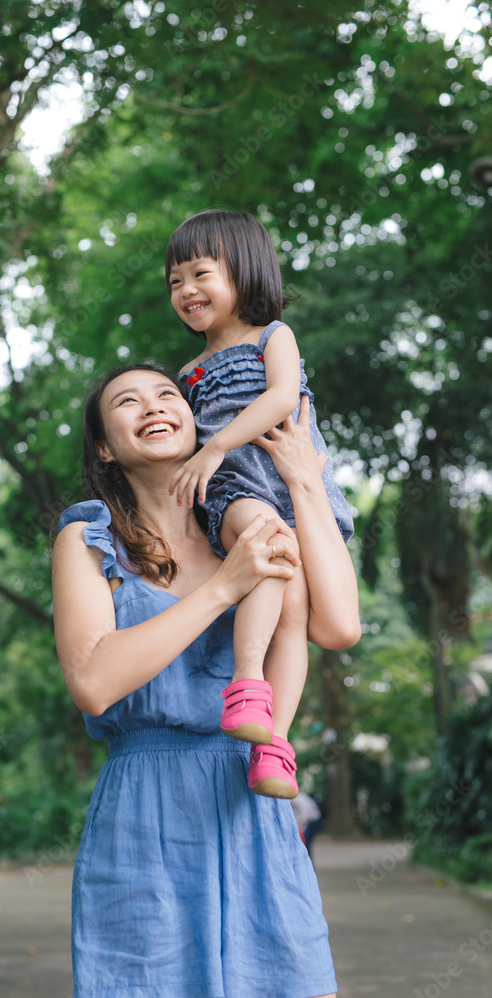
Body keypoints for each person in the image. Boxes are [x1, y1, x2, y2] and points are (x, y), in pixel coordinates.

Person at [52, 363, 360, 998]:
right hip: (146, 809)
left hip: (253, 795)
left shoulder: (244, 525)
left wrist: (302, 483)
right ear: (106, 447)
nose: (154, 406)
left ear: (196, 420)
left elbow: (339, 629)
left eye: (168, 394)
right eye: (128, 402)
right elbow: (93, 681)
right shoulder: (88, 537)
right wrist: (225, 588)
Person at [166, 209, 354, 797]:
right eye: (175, 281)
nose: (186, 290)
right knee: (267, 547)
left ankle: (274, 744)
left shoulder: (274, 336)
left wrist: (216, 443)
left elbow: (279, 397)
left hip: (293, 489)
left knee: (294, 610)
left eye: (200, 273)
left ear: (244, 272)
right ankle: (247, 683)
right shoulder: (189, 373)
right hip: (238, 492)